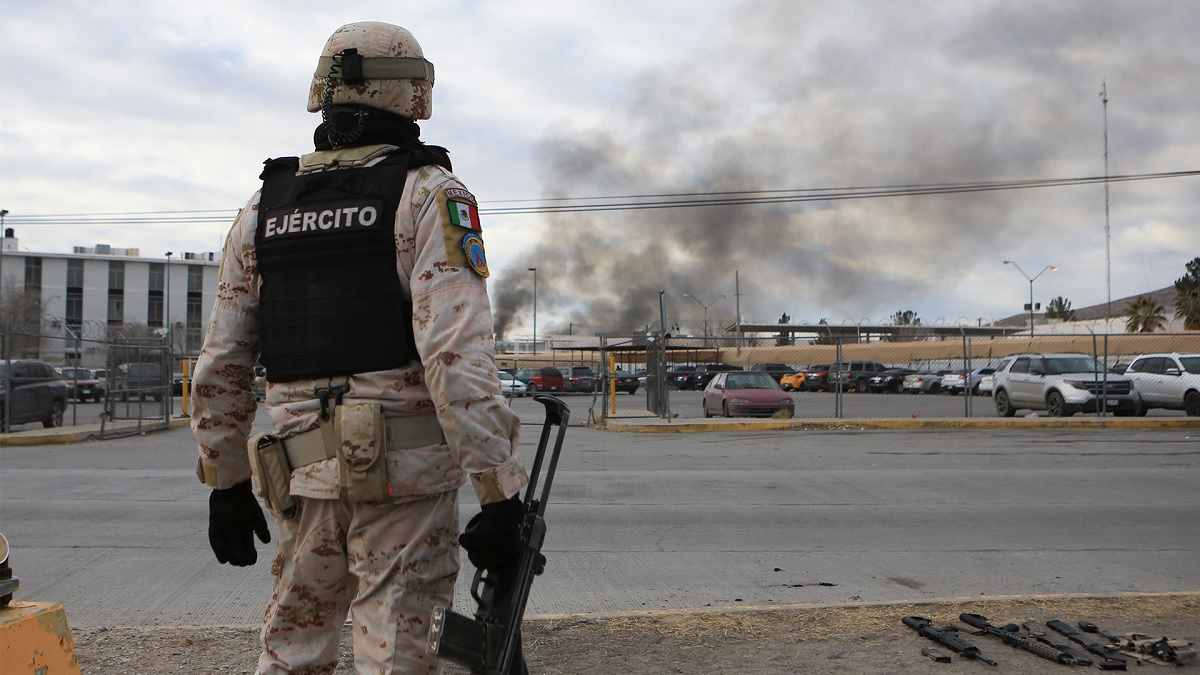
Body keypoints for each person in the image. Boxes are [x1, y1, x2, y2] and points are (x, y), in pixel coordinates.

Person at [192, 22, 528, 674]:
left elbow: (221, 363)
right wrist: (499, 490)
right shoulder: (431, 195)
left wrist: (224, 482)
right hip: (404, 481)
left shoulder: (263, 207)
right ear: (414, 96)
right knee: (404, 654)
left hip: (298, 477)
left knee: (291, 649)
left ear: (323, 93)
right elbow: (455, 355)